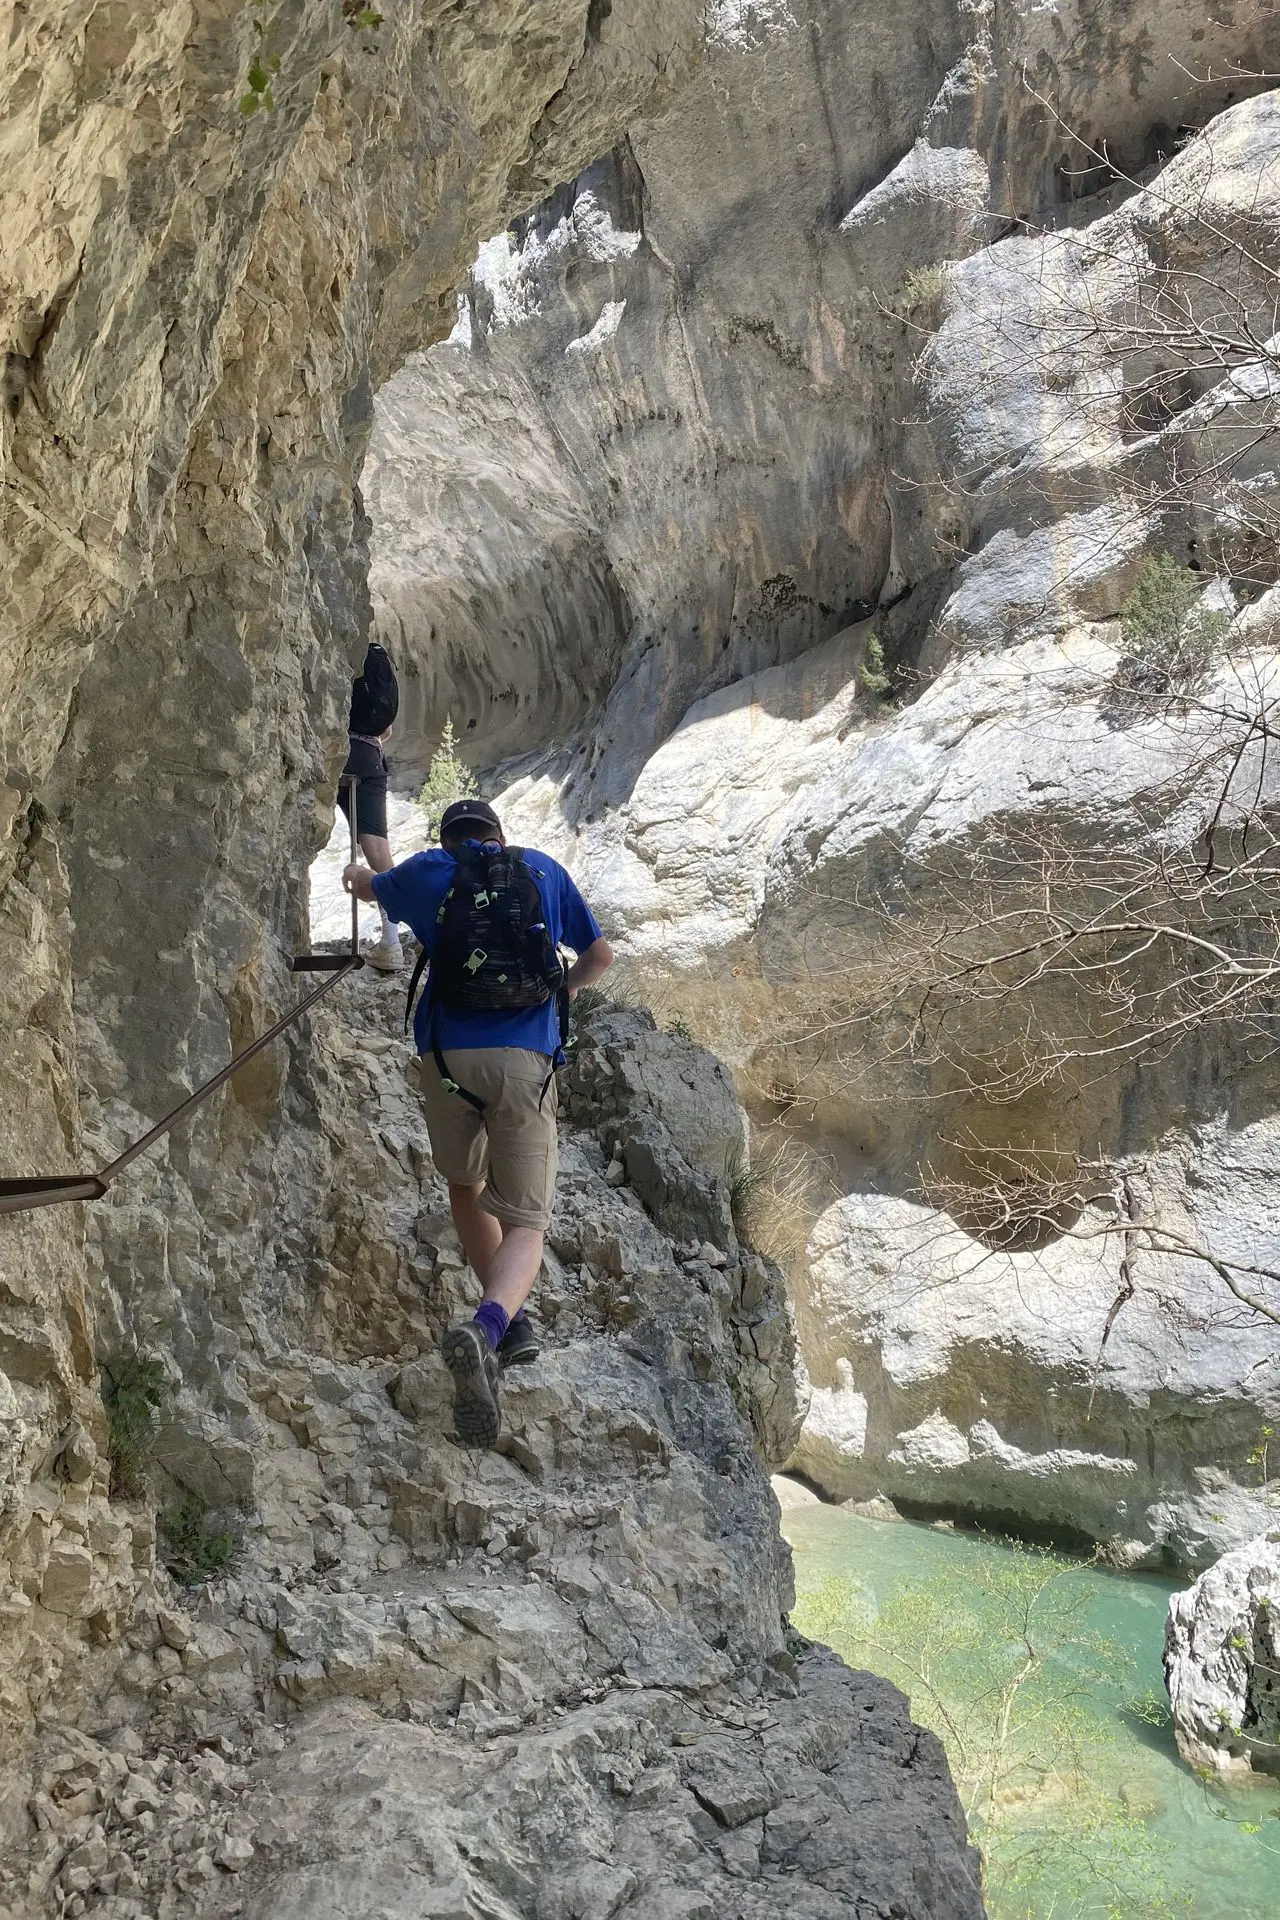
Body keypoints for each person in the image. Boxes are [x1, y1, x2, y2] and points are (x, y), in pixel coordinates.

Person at [342, 798, 614, 1447]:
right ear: (499, 835)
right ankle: (489, 1324)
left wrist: (358, 874)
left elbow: (365, 885)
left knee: (464, 1187)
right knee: (528, 1222)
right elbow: (600, 956)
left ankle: (509, 1326)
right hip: (523, 1060)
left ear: (448, 839)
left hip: (444, 1059)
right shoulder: (542, 871)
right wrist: (559, 993)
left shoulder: (428, 872)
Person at [337, 643, 403, 972]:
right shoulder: (378, 672)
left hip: (332, 749)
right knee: (377, 847)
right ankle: (392, 942)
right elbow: (385, 729)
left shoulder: (341, 657)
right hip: (369, 757)